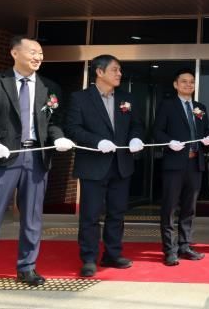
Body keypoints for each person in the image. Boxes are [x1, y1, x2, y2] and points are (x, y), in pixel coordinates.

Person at [0, 37, 74, 301]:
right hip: (3, 159)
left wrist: (58, 137)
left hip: (36, 158)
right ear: (14, 53)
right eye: (33, 52)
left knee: (32, 217)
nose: (38, 57)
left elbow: (54, 122)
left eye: (41, 53)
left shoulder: (50, 87)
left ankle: (27, 267)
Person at [64, 55, 145, 277]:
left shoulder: (127, 98)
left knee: (117, 213)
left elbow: (137, 125)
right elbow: (72, 128)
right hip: (93, 165)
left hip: (121, 164)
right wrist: (96, 141)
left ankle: (112, 254)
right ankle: (89, 258)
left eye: (120, 70)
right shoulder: (80, 98)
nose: (119, 74)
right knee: (90, 215)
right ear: (99, 72)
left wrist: (136, 138)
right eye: (115, 70)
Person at [152, 69, 209, 266]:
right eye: (184, 81)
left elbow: (206, 130)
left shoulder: (200, 107)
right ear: (175, 84)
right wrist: (169, 142)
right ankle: (169, 250)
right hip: (174, 163)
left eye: (192, 81)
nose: (189, 84)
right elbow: (157, 131)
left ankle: (185, 246)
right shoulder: (167, 105)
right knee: (169, 207)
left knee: (189, 208)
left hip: (195, 163)